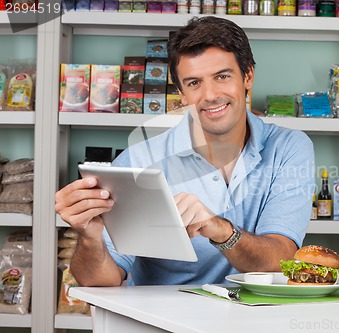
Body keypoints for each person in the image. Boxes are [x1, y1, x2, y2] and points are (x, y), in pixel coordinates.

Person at [55, 16, 315, 287]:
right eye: (194, 83)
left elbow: (280, 260)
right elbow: (98, 281)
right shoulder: (140, 160)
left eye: (222, 77)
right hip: (161, 323)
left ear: (247, 76)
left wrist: (221, 230)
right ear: (181, 93)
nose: (210, 95)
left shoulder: (288, 148)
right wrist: (89, 235)